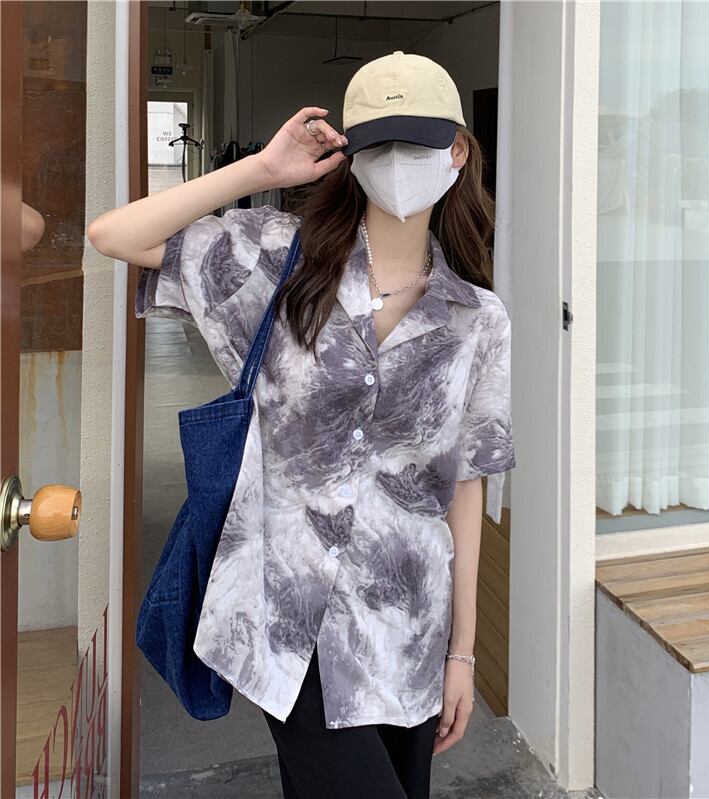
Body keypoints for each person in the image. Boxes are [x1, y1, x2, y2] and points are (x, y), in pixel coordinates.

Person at [88, 50, 516, 799]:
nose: (396, 164)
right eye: (377, 145)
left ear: (456, 151)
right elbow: (113, 234)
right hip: (290, 618)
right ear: (350, 156)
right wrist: (261, 170)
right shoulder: (276, 263)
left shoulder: (477, 319)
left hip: (408, 624)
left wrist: (463, 652)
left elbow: (467, 483)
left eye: (416, 144)